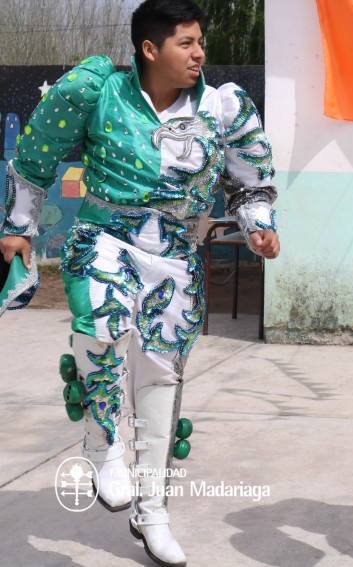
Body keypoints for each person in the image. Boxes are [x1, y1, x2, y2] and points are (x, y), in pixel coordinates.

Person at [0, 1, 278, 565]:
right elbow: (36, 156)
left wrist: (259, 228)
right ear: (150, 49)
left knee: (159, 377)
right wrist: (19, 227)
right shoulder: (97, 90)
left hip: (178, 255)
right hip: (106, 238)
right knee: (103, 321)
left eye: (201, 41)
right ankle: (102, 445)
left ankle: (152, 510)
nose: (199, 53)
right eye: (186, 43)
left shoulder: (223, 108)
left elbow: (252, 181)